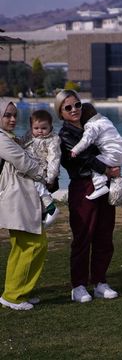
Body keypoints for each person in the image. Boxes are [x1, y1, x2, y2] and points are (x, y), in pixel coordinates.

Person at [56, 90, 121, 303]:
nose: (74, 110)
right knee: (83, 237)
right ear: (60, 112)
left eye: (77, 105)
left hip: (102, 186)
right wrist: (107, 170)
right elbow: (83, 158)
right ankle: (79, 285)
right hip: (83, 188)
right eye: (68, 107)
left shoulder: (91, 126)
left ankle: (100, 281)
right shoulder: (64, 136)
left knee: (104, 235)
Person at [0, 98, 49, 311]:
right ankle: (14, 295)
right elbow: (23, 161)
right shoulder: (2, 139)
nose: (12, 119)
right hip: (15, 198)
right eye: (7, 115)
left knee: (22, 246)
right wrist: (43, 173)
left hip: (19, 197)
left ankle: (16, 292)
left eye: (14, 115)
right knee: (34, 244)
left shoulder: (9, 138)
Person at [70, 103, 122, 201]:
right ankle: (117, 184)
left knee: (95, 162)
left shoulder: (91, 125)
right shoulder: (105, 120)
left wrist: (75, 149)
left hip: (112, 154)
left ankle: (100, 185)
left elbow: (86, 140)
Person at [22, 110, 61, 219]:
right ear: (31, 127)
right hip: (29, 167)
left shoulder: (53, 140)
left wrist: (51, 177)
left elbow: (54, 158)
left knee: (37, 184)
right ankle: (44, 212)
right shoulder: (29, 135)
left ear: (50, 126)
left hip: (43, 170)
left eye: (44, 128)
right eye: (36, 128)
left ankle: (50, 206)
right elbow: (22, 145)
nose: (40, 131)